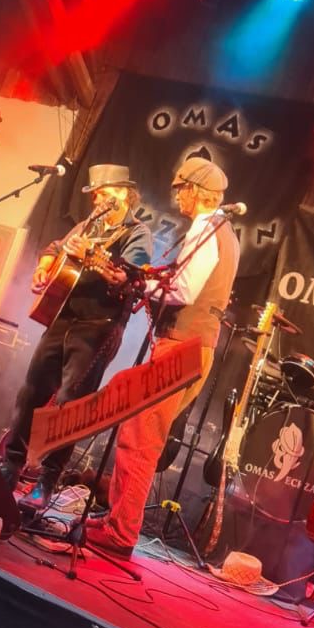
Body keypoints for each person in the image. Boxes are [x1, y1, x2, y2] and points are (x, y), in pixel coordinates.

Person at [87, 156, 241, 559]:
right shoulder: (226, 233)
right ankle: (116, 520)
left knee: (140, 439)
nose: (177, 198)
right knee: (137, 434)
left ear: (195, 191)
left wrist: (141, 288)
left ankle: (120, 533)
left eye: (180, 190)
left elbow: (184, 291)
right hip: (194, 347)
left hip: (181, 346)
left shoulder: (206, 228)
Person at [1, 163, 152, 511]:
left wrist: (95, 261)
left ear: (123, 194)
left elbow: (128, 278)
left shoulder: (137, 234)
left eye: (104, 193)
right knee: (31, 391)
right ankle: (11, 465)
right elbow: (55, 248)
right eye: (95, 195)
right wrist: (44, 266)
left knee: (70, 406)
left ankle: (47, 480)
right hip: (64, 317)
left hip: (98, 327)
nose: (97, 200)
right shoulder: (89, 225)